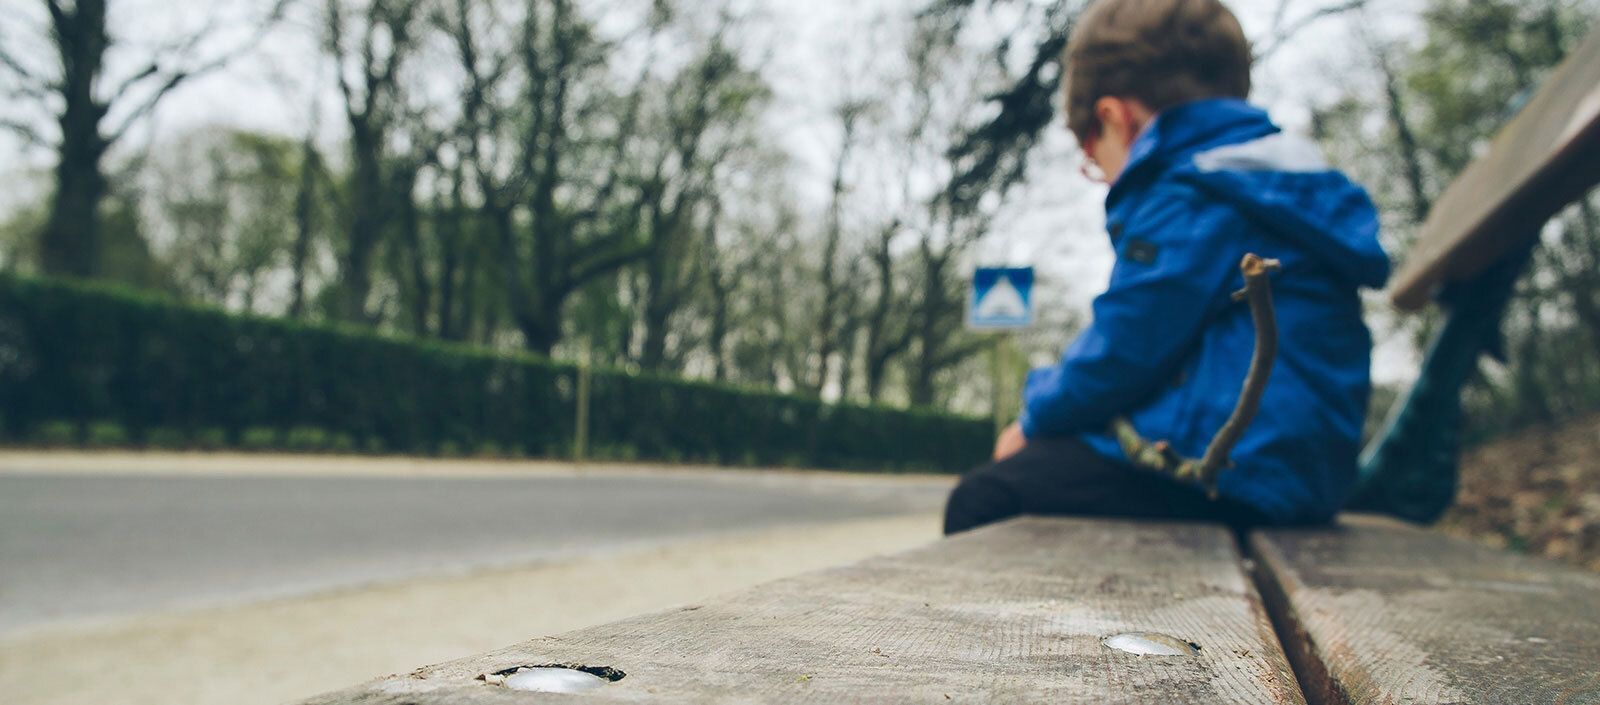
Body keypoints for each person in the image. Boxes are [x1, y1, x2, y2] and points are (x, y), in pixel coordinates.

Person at [943, 0, 1389, 535]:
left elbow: (1125, 348)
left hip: (1229, 473)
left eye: (1093, 155)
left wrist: (1032, 418)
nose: (1103, 177)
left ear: (1115, 117)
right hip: (1299, 476)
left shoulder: (1192, 191)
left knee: (986, 497)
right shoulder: (1274, 181)